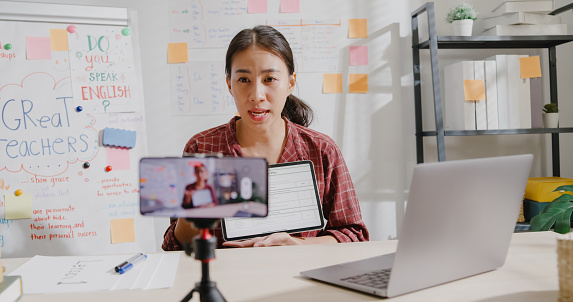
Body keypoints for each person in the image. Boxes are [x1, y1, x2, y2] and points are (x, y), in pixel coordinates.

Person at [162, 25, 368, 249]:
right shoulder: (201, 148)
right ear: (229, 83)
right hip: (227, 279)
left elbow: (354, 233)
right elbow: (175, 246)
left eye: (269, 79)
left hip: (300, 278)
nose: (257, 95)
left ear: (290, 82)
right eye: (243, 80)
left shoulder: (321, 150)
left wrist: (298, 245)